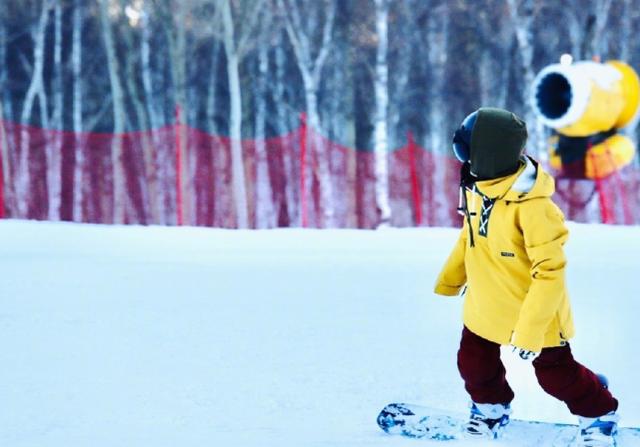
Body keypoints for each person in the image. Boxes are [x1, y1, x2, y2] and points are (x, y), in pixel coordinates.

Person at [433, 107, 619, 446]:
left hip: (533, 310)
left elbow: (550, 272)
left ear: (488, 155)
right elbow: (470, 237)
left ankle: (599, 412)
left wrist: (530, 331)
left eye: (467, 151)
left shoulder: (534, 208)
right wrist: (450, 278)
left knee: (555, 376)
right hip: (486, 302)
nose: (462, 159)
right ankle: (490, 408)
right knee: (473, 363)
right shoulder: (479, 188)